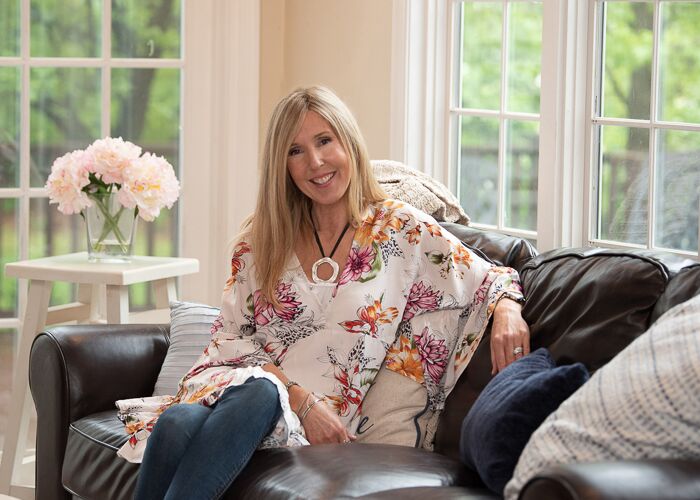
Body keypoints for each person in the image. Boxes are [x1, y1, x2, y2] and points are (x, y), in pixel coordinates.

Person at [116, 85, 530, 500]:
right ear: (283, 166)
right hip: (240, 392)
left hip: (311, 423)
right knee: (241, 398)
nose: (315, 162)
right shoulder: (262, 242)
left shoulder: (401, 229)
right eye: (295, 151)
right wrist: (300, 400)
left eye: (324, 141)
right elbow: (229, 339)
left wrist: (508, 310)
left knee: (178, 425)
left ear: (348, 142)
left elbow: (490, 275)